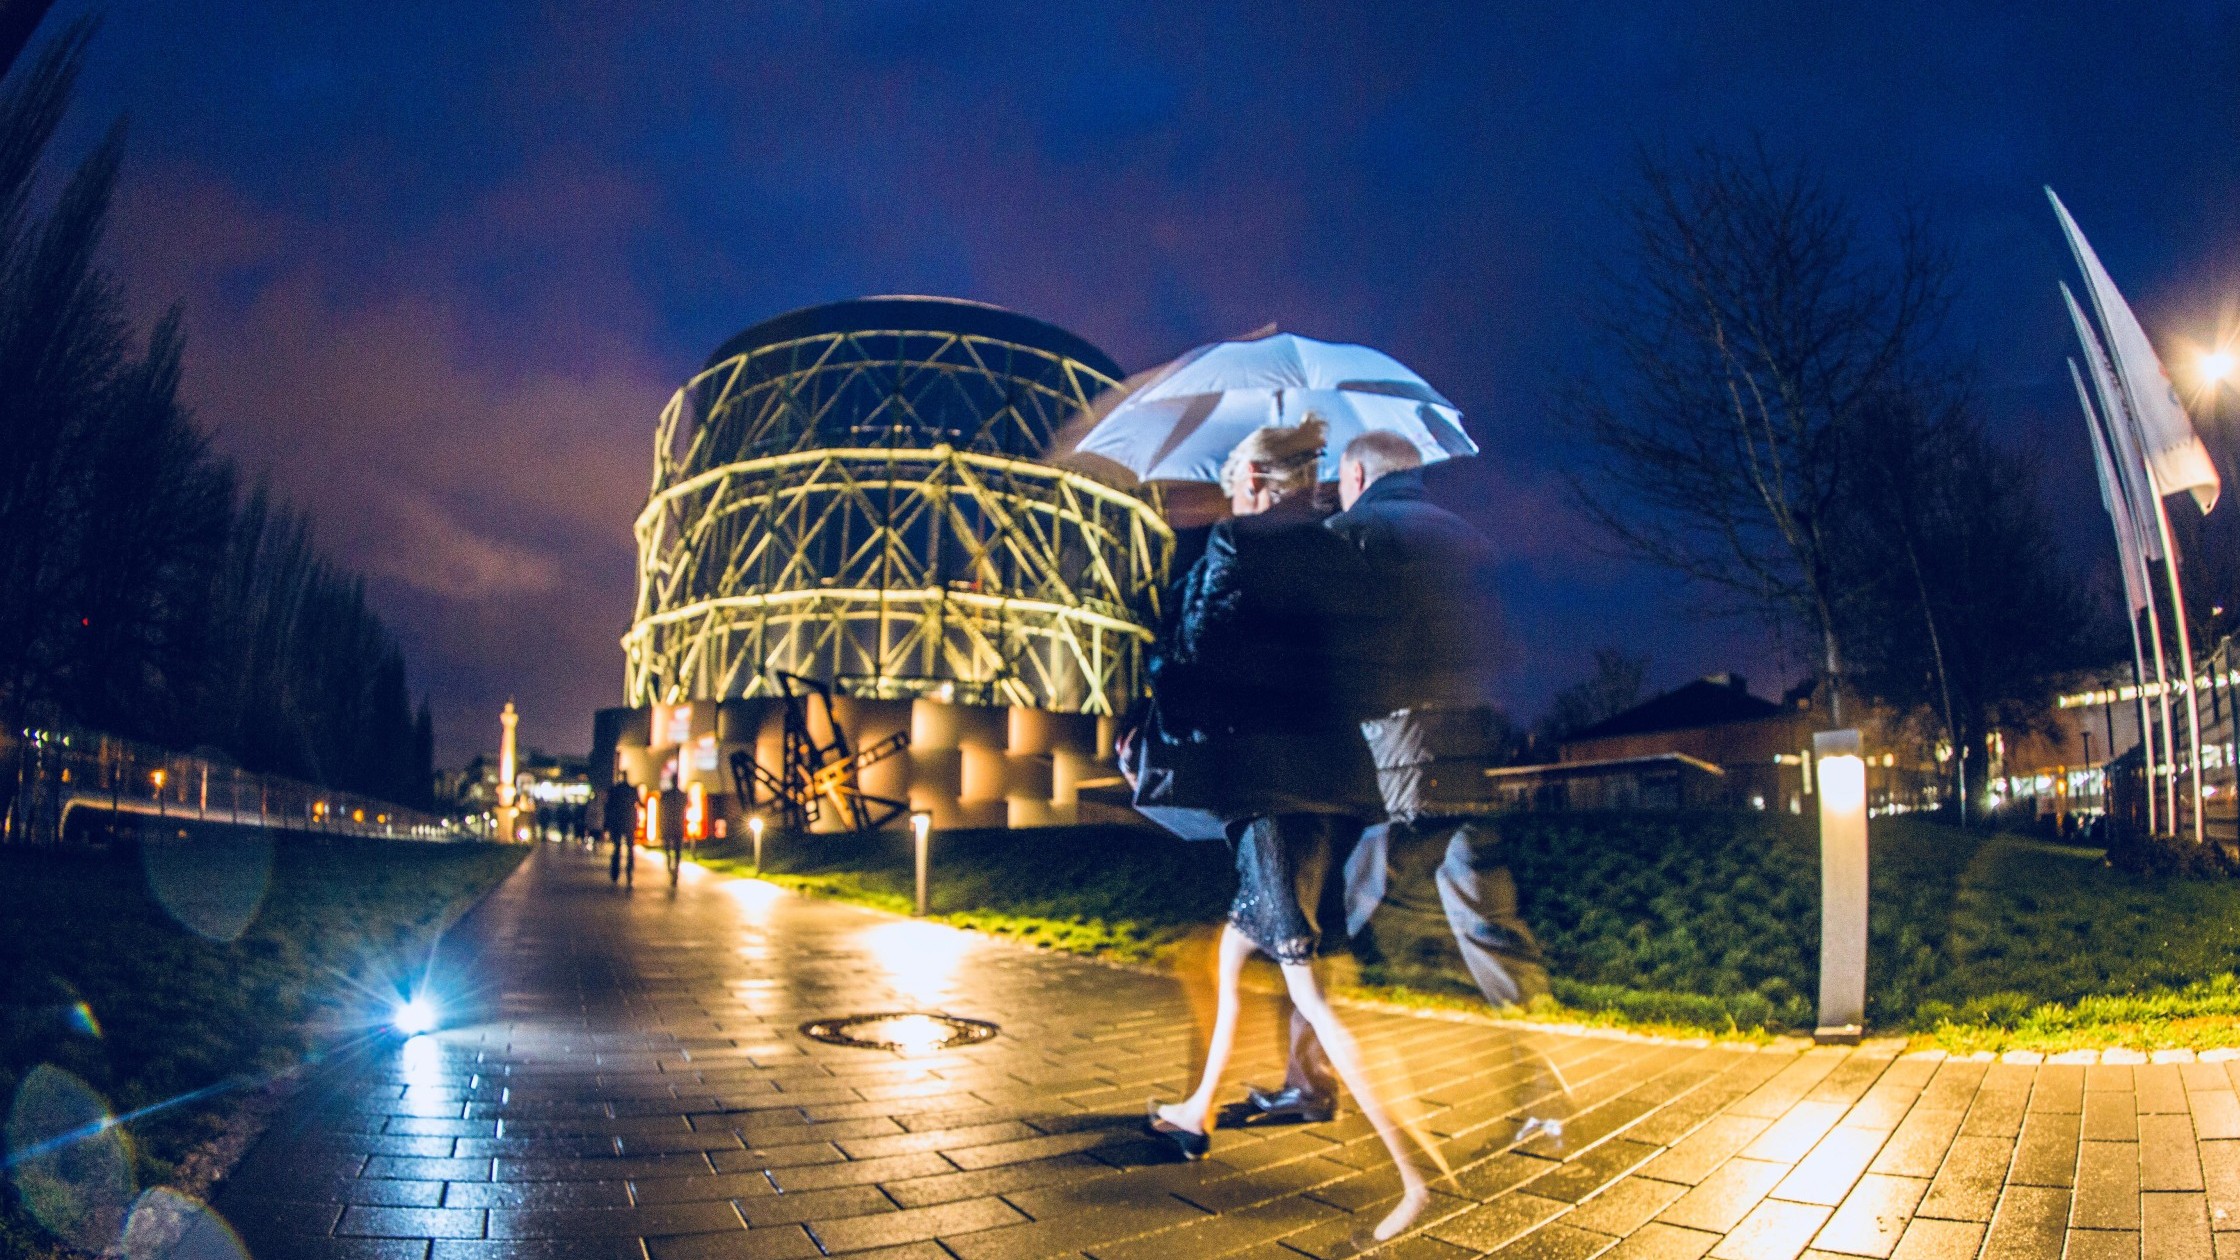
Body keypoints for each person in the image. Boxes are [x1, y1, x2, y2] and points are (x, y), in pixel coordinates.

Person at [1137, 417, 1431, 1243]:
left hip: (1267, 787)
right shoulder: (1344, 549)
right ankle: (1196, 1110)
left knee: (1305, 984)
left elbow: (1198, 655)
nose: (1230, 495)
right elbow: (1374, 674)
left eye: (1237, 481)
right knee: (1235, 950)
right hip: (1339, 783)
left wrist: (1164, 677)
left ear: (1261, 483)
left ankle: (1414, 1176)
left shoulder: (1237, 544)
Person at [1244, 430, 1548, 1125]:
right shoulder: (1468, 541)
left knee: (1322, 922)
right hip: (1470, 757)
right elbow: (1507, 651)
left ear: (1356, 473)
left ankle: (1308, 1081)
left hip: (1390, 764)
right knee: (1488, 922)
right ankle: (1542, 1086)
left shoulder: (1352, 536)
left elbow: (1322, 652)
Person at [604, 780, 639, 885]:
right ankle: (629, 871)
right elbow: (639, 803)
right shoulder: (632, 791)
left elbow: (608, 807)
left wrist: (607, 824)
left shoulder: (614, 791)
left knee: (617, 847)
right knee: (630, 848)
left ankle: (615, 872)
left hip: (617, 823)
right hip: (629, 822)